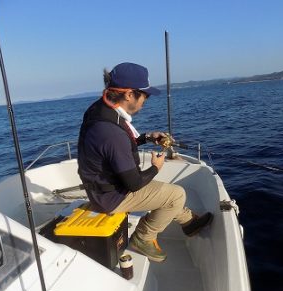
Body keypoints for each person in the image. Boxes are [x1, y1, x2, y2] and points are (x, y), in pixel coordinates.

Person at [77, 62, 212, 262]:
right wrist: (155, 167)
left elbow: (115, 149)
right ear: (129, 94)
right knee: (176, 195)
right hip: (111, 197)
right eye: (145, 95)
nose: (145, 101)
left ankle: (189, 222)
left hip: (103, 188)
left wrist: (147, 137)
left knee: (166, 192)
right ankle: (143, 237)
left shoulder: (101, 108)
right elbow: (134, 183)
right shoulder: (111, 132)